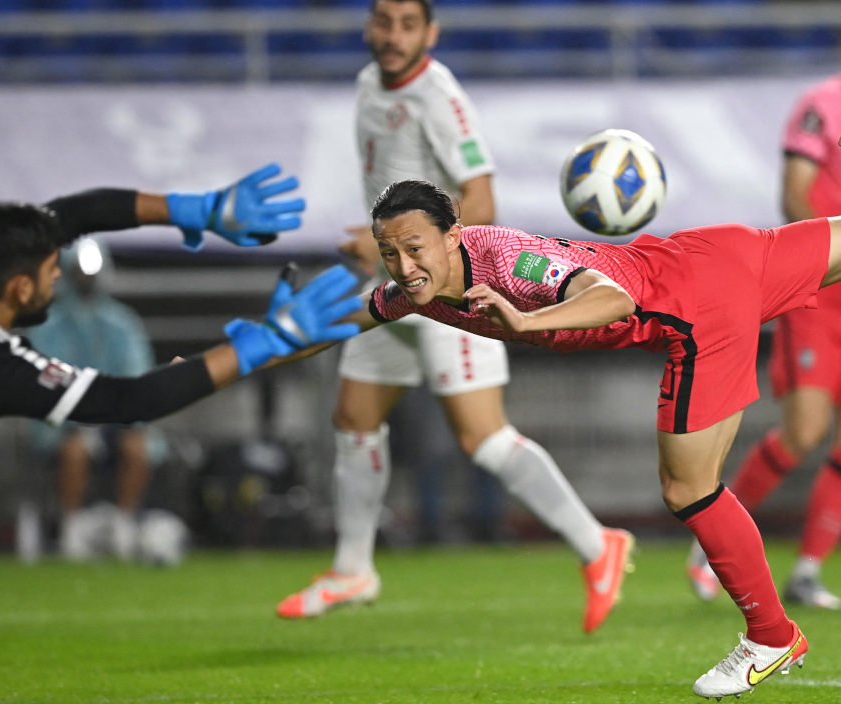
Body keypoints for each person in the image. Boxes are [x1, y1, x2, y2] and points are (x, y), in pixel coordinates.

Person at [335, 177, 841, 699]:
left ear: (452, 236)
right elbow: (339, 321)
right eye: (388, 252)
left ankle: (773, 636)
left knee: (689, 489)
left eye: (412, 248)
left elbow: (613, 298)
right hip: (714, 251)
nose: (402, 265)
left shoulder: (509, 261)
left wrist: (529, 321)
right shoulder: (416, 291)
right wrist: (273, 337)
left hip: (697, 318)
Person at [275, 0, 633, 637]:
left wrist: (413, 255)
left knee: (483, 439)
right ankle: (353, 567)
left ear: (430, 33)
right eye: (383, 21)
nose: (392, 35)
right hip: (394, 282)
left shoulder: (439, 98)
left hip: (446, 292)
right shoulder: (367, 85)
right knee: (353, 416)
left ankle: (596, 543)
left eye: (407, 24)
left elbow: (482, 200)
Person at [0, 164, 364, 515]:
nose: (57, 278)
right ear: (20, 287)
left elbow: (79, 213)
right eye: (50, 271)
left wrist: (196, 209)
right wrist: (264, 344)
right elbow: (131, 399)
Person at [686, 74, 841, 611]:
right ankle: (710, 542)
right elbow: (794, 193)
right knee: (805, 430)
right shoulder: (824, 103)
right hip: (822, 290)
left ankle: (807, 570)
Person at [28, 238, 168, 561]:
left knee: (138, 447)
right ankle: (73, 527)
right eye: (79, 271)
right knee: (75, 450)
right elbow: (46, 378)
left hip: (115, 418)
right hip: (68, 422)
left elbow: (136, 373)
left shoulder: (121, 322)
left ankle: (123, 522)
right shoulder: (49, 325)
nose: (86, 279)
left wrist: (117, 412)